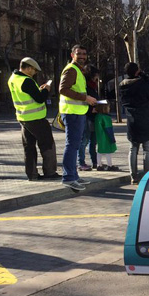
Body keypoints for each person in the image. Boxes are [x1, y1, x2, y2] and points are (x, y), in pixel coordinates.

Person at [7, 57, 59, 181]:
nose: (35, 73)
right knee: (48, 144)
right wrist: (46, 90)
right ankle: (50, 172)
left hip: (23, 118)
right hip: (37, 118)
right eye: (34, 70)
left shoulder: (13, 79)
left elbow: (28, 95)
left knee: (28, 147)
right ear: (29, 68)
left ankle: (32, 174)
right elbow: (40, 99)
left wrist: (39, 90)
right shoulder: (27, 81)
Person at [58, 44, 97, 191]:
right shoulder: (71, 70)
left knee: (74, 145)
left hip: (77, 112)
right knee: (72, 145)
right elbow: (62, 89)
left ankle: (73, 175)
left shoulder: (78, 70)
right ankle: (68, 177)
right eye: (79, 53)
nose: (82, 56)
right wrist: (85, 98)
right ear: (72, 55)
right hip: (72, 112)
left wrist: (87, 100)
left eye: (84, 54)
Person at [120, 61, 149, 184]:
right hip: (146, 119)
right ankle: (146, 176)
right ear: (137, 71)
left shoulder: (122, 85)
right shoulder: (143, 84)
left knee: (133, 148)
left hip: (132, 120)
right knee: (147, 149)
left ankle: (133, 176)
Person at [94, 101, 118, 170]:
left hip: (99, 136)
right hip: (106, 136)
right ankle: (109, 165)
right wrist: (112, 138)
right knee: (108, 151)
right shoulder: (106, 118)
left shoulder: (97, 116)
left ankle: (99, 165)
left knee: (100, 150)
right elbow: (108, 128)